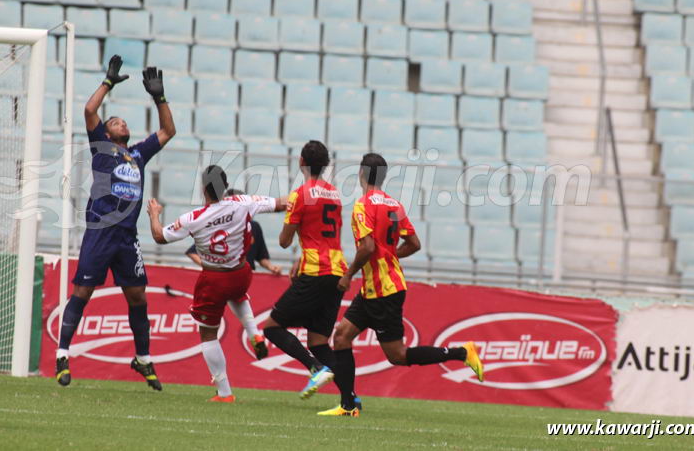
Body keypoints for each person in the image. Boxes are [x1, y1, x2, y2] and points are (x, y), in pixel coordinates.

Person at [319, 153, 484, 417]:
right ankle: (348, 405)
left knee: (397, 355)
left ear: (361, 173)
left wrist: (349, 273)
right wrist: (390, 255)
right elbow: (414, 244)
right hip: (378, 287)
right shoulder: (395, 205)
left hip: (384, 291)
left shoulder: (363, 205)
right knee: (341, 336)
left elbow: (368, 246)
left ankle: (462, 353)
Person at [55, 57, 176, 390]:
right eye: (117, 121)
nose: (123, 124)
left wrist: (159, 97)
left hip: (127, 237)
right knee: (83, 291)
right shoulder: (102, 147)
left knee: (138, 296)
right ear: (107, 132)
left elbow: (168, 131)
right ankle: (63, 354)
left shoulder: (138, 154)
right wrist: (107, 83)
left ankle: (143, 359)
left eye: (124, 122)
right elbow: (89, 111)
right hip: (101, 231)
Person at [147, 166, 287, 402]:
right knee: (237, 294)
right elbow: (280, 204)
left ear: (203, 190)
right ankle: (255, 334)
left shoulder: (192, 218)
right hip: (242, 273)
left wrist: (154, 214)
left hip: (213, 278)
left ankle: (224, 392)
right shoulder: (242, 202)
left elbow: (159, 236)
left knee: (208, 334)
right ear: (224, 187)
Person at [260, 140, 346, 400]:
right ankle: (350, 397)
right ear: (326, 164)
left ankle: (316, 368)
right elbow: (330, 236)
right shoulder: (335, 194)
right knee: (319, 341)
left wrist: (297, 242)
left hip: (315, 271)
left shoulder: (299, 195)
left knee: (272, 327)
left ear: (301, 162)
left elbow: (284, 242)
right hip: (337, 270)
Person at [185, 189, 283, 276]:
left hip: (247, 277)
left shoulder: (255, 227)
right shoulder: (217, 227)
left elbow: (261, 257)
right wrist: (211, 268)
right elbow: (192, 252)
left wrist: (271, 267)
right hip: (224, 276)